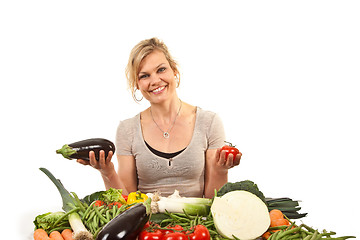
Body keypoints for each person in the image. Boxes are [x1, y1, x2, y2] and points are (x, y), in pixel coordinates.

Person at [77, 37, 242, 198]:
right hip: (147, 225)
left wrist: (221, 170)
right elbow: (126, 204)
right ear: (137, 84)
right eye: (144, 76)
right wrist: (107, 172)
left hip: (196, 224)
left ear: (174, 71)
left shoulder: (209, 123)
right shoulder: (128, 130)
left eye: (161, 69)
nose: (155, 80)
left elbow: (213, 201)